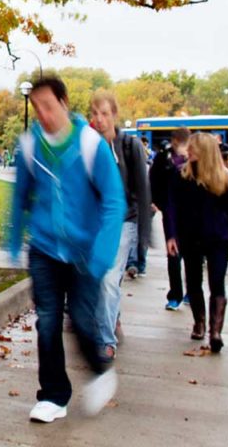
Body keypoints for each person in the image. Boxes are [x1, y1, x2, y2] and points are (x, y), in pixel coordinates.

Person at [9, 76, 126, 423]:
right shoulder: (30, 146)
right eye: (36, 108)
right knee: (47, 320)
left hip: (84, 251)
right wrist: (15, 239)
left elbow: (114, 201)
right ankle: (53, 396)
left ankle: (102, 370)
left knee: (81, 317)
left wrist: (103, 252)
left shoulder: (90, 143)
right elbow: (20, 198)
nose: (42, 114)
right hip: (44, 248)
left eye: (48, 105)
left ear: (63, 102)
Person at [163, 133, 228, 353]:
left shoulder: (225, 178)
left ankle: (216, 331)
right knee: (193, 280)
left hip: (218, 237)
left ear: (205, 151)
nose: (189, 151)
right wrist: (171, 235)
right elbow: (171, 208)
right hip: (190, 237)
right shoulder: (181, 175)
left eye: (194, 148)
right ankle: (199, 322)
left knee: (217, 281)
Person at [89, 91, 151, 358]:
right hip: (96, 223)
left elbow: (143, 190)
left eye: (104, 113)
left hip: (125, 222)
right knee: (102, 280)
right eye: (94, 113)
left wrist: (143, 240)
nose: (99, 119)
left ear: (114, 115)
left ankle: (106, 341)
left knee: (107, 280)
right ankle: (112, 319)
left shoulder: (130, 146)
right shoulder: (88, 146)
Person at [150, 128, 190, 311]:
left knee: (191, 254)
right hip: (170, 210)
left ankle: (191, 290)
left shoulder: (193, 157)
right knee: (173, 253)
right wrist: (157, 202)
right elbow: (154, 179)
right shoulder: (163, 158)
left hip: (191, 213)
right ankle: (175, 294)